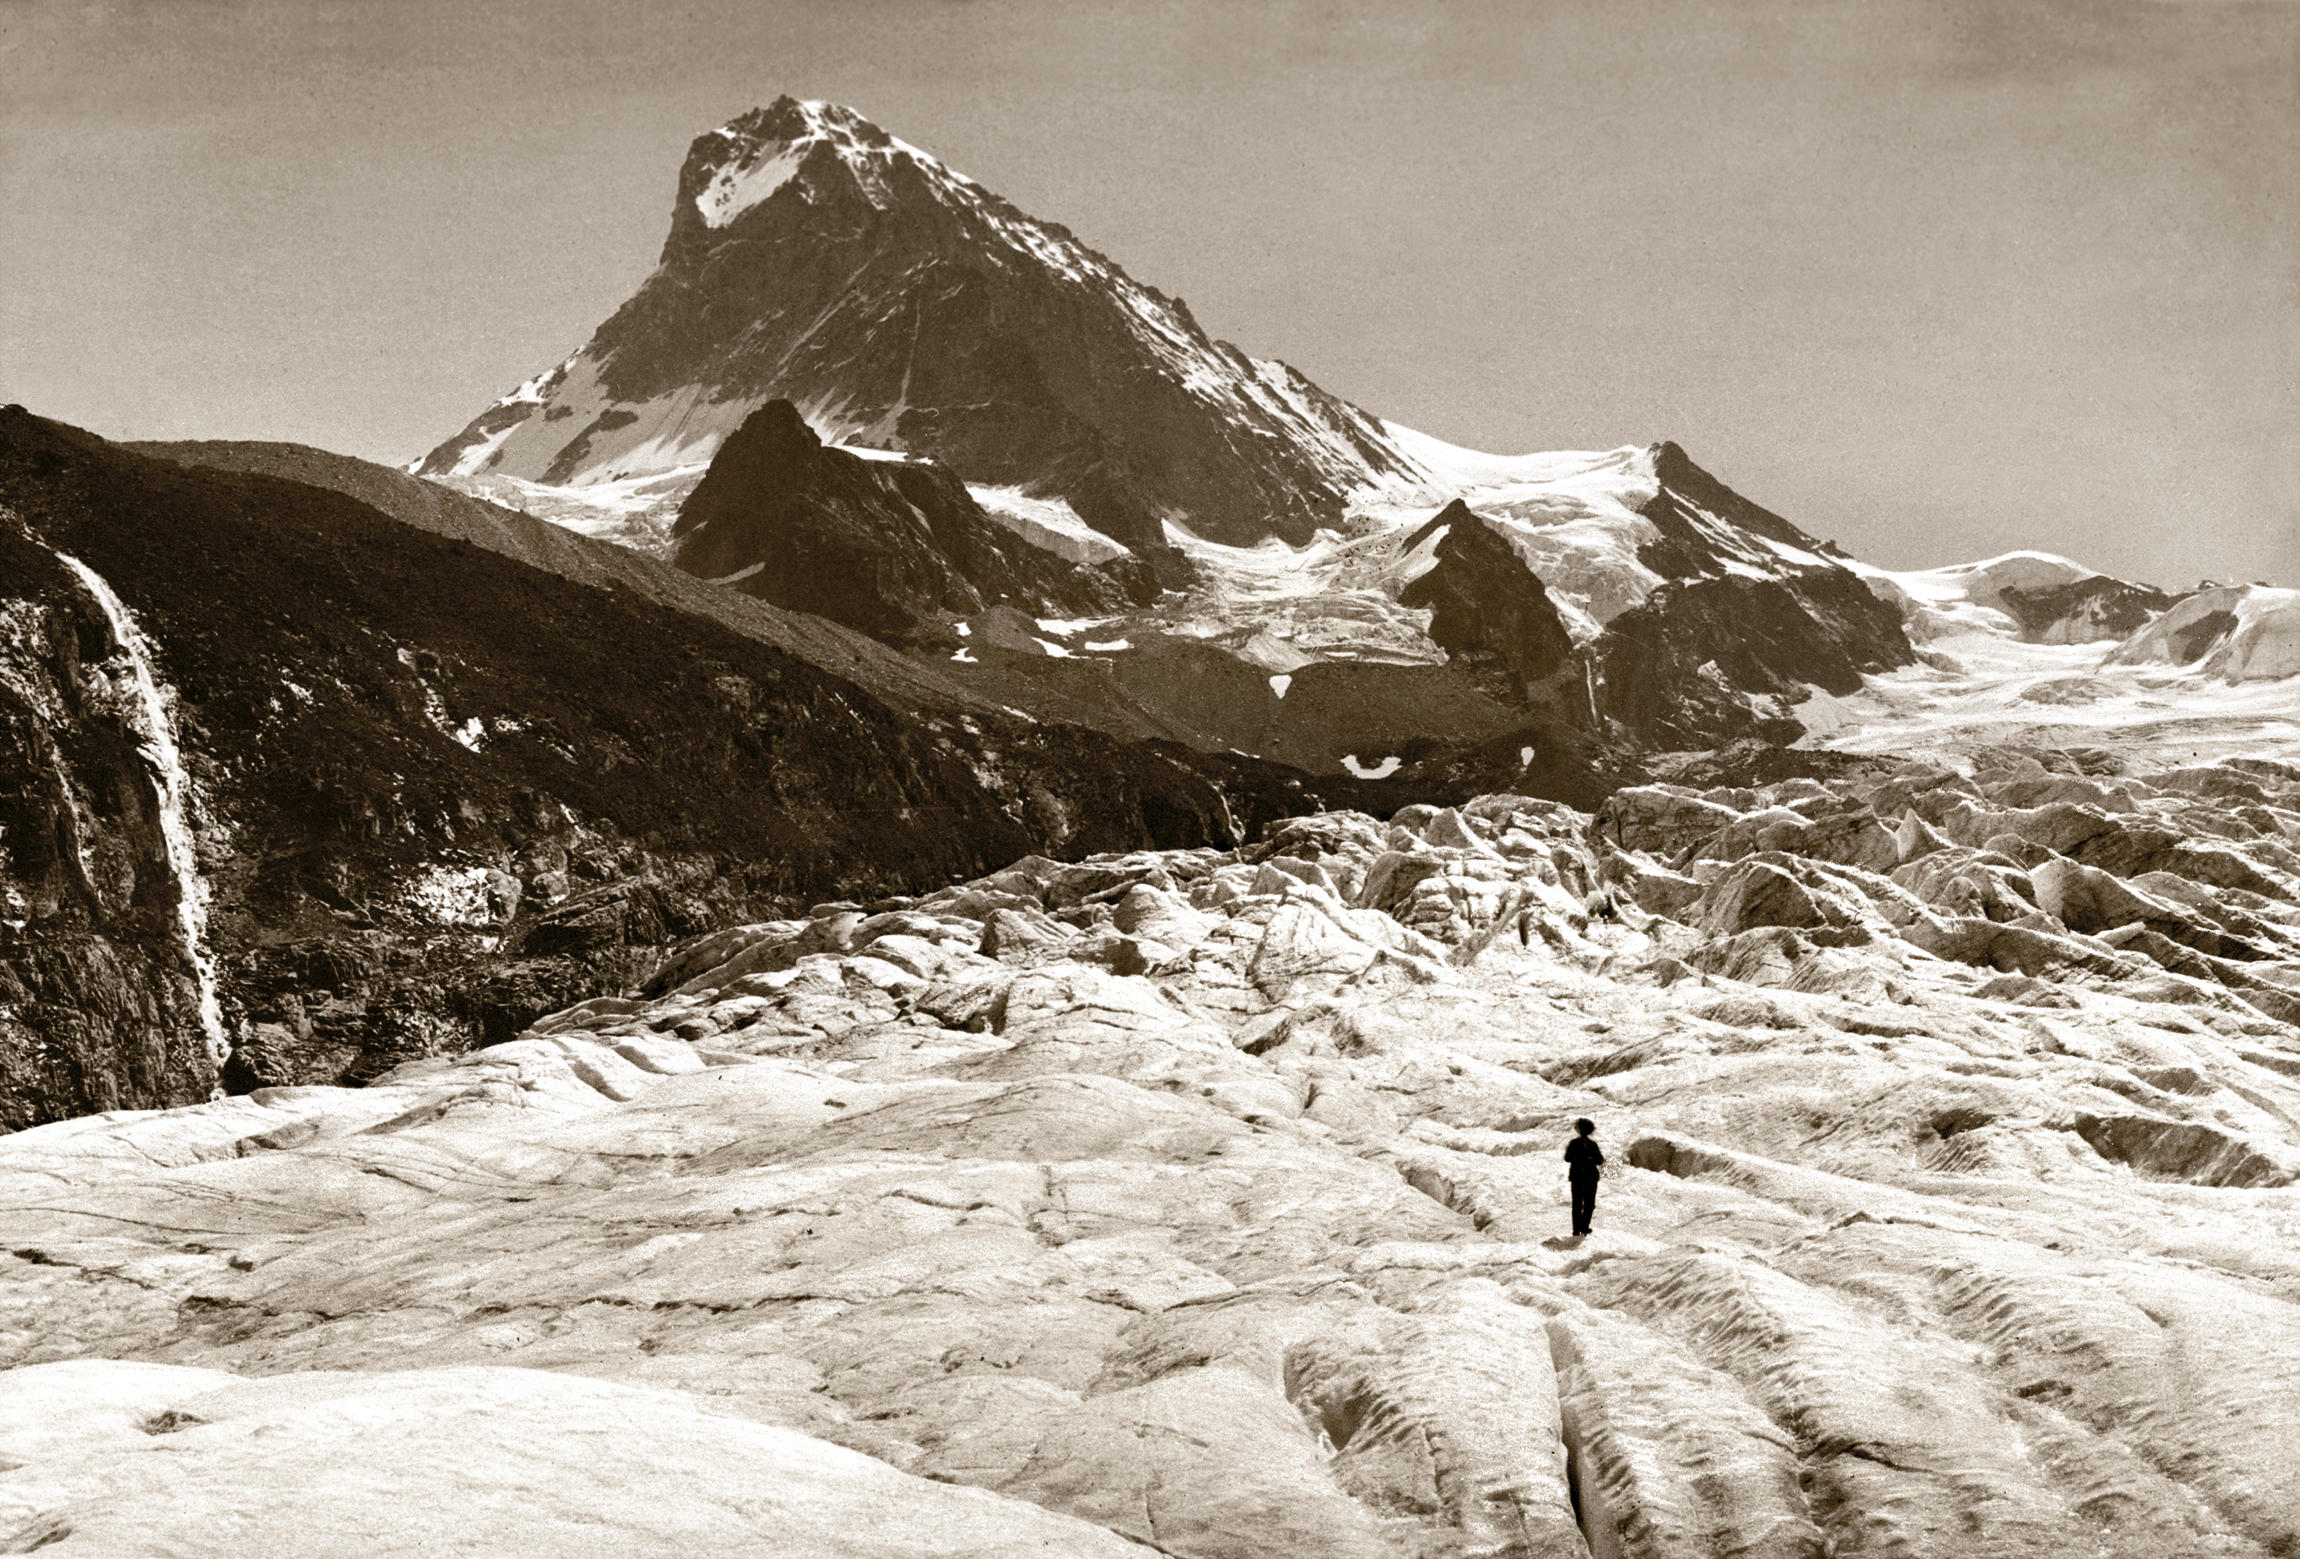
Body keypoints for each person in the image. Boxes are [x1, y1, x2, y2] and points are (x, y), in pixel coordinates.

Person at [1563, 1118, 1603, 1236]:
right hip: (1590, 1177)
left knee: (1577, 1204)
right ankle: (1584, 1227)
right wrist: (1589, 1159)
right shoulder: (1593, 1144)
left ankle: (1576, 1229)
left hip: (1577, 1177)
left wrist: (1578, 1158)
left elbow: (1567, 1158)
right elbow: (1599, 1160)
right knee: (1589, 1204)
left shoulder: (1573, 1143)